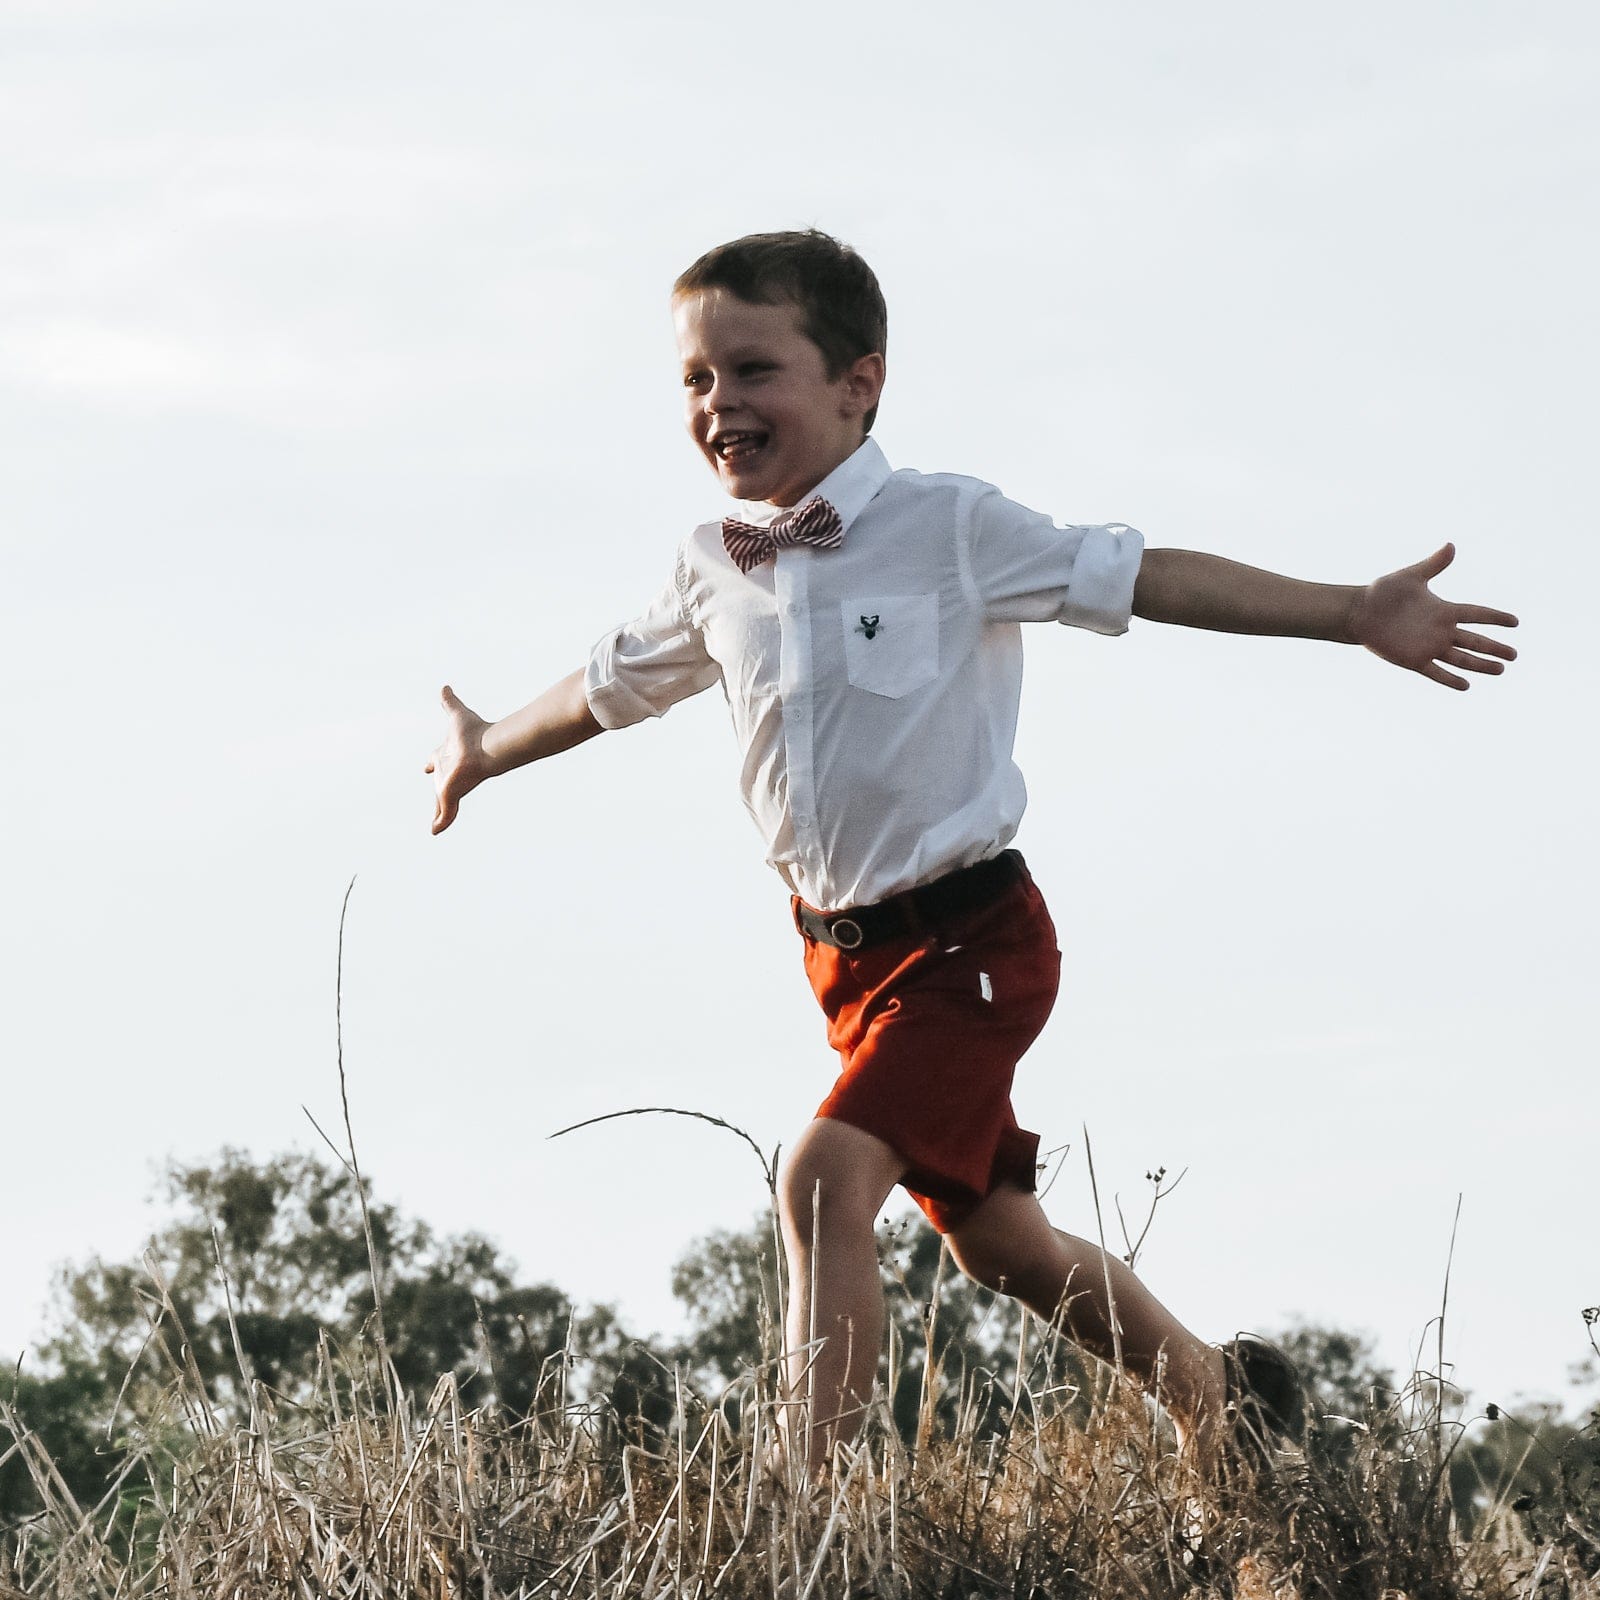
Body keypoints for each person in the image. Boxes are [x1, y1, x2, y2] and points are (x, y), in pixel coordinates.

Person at [426, 229, 1517, 1473]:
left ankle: (808, 1508)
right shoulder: (712, 566)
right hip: (842, 964)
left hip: (972, 939)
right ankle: (1220, 1402)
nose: (720, 402)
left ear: (857, 382)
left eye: (753, 369)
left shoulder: (945, 525)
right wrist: (483, 747)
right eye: (695, 380)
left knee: (824, 1180)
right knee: (998, 1243)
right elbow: (607, 688)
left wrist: (1347, 612)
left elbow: (1141, 575)